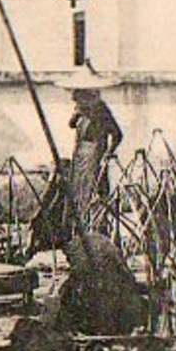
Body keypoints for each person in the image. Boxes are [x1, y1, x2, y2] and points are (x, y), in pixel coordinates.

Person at [59, 67, 122, 233]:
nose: (75, 99)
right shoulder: (81, 111)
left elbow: (117, 134)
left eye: (79, 96)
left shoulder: (101, 110)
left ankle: (96, 230)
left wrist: (107, 155)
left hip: (95, 155)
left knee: (93, 192)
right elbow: (71, 125)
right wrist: (76, 114)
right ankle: (75, 231)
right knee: (77, 193)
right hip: (80, 155)